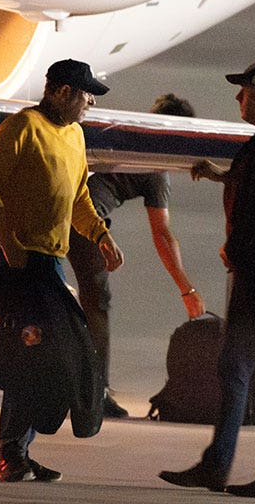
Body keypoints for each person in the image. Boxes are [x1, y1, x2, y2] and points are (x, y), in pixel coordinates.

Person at [159, 60, 255, 500]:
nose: (238, 99)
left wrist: (234, 251)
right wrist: (222, 175)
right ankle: (217, 464)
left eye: (244, 92)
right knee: (235, 367)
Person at [0, 58, 125, 483]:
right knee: (28, 358)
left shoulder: (75, 136)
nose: (90, 102)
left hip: (51, 263)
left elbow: (79, 198)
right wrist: (8, 244)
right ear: (61, 91)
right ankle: (10, 454)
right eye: (85, 94)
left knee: (49, 360)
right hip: (20, 261)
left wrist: (100, 235)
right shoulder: (22, 129)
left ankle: (17, 450)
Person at [67, 93, 206, 419]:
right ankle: (93, 394)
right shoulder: (157, 171)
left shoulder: (124, 132)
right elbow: (161, 233)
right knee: (96, 301)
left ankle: (79, 384)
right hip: (85, 223)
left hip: (59, 210)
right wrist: (186, 287)